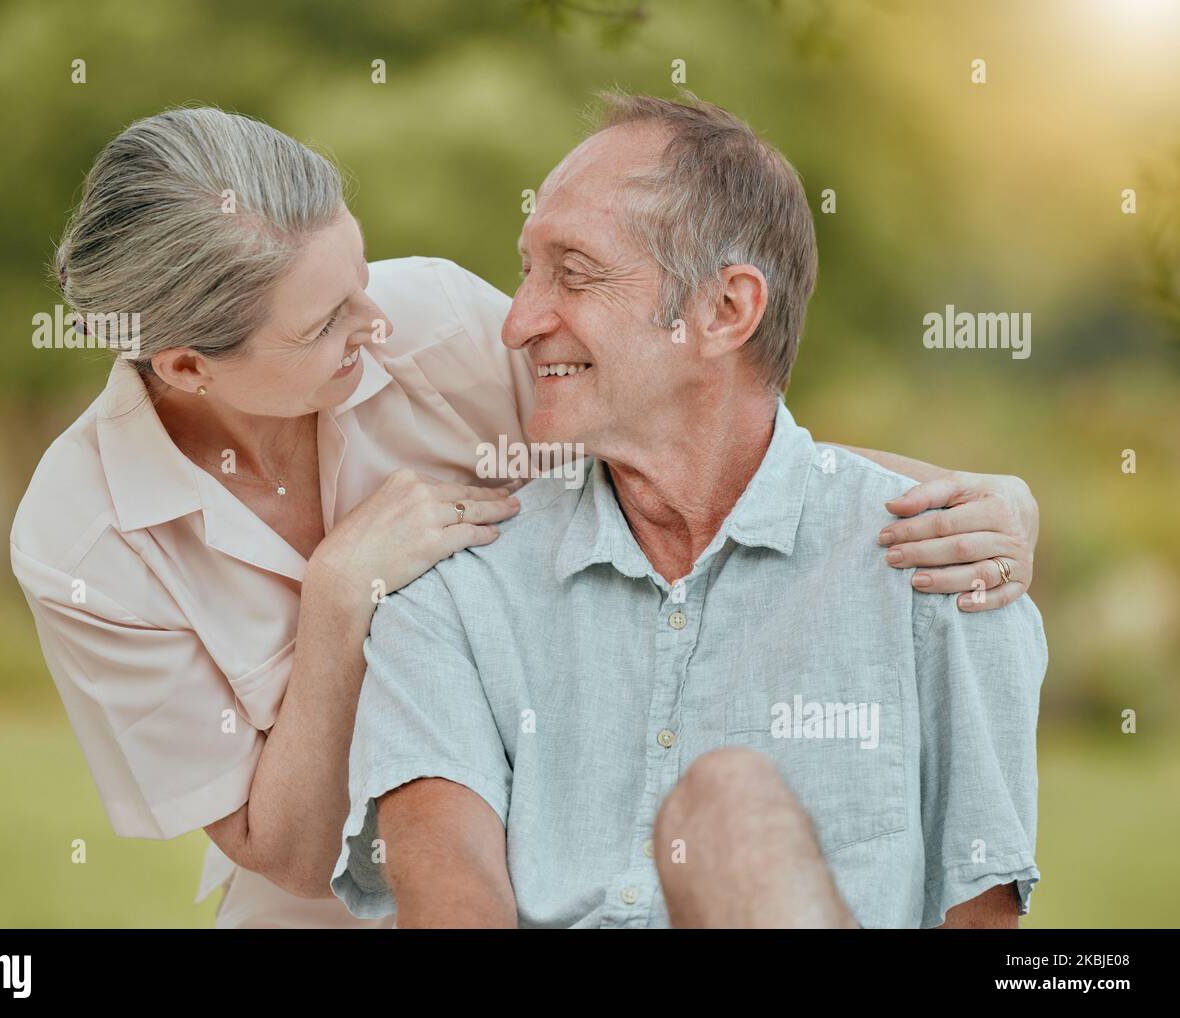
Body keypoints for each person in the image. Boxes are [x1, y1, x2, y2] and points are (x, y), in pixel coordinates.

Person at [12, 105, 1039, 928]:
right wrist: (338, 597)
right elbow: (281, 848)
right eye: (329, 324)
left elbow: (682, 427)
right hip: (314, 901)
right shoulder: (81, 539)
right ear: (188, 367)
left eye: (360, 280)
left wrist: (987, 496)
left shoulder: (430, 330)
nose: (376, 324)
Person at [329, 93, 1046, 929]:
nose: (519, 323)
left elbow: (983, 919)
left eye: (574, 271)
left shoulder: (944, 567)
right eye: (526, 270)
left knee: (729, 811)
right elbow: (449, 896)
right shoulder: (453, 585)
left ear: (724, 312)